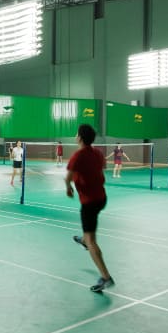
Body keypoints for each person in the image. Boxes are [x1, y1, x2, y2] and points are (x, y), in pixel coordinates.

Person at [66, 124, 115, 293]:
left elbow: (68, 178)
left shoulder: (78, 156)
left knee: (91, 240)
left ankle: (106, 277)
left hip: (89, 203)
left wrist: (68, 188)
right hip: (101, 198)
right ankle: (84, 240)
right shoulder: (98, 153)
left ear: (79, 137)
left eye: (76, 134)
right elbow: (100, 171)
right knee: (89, 232)